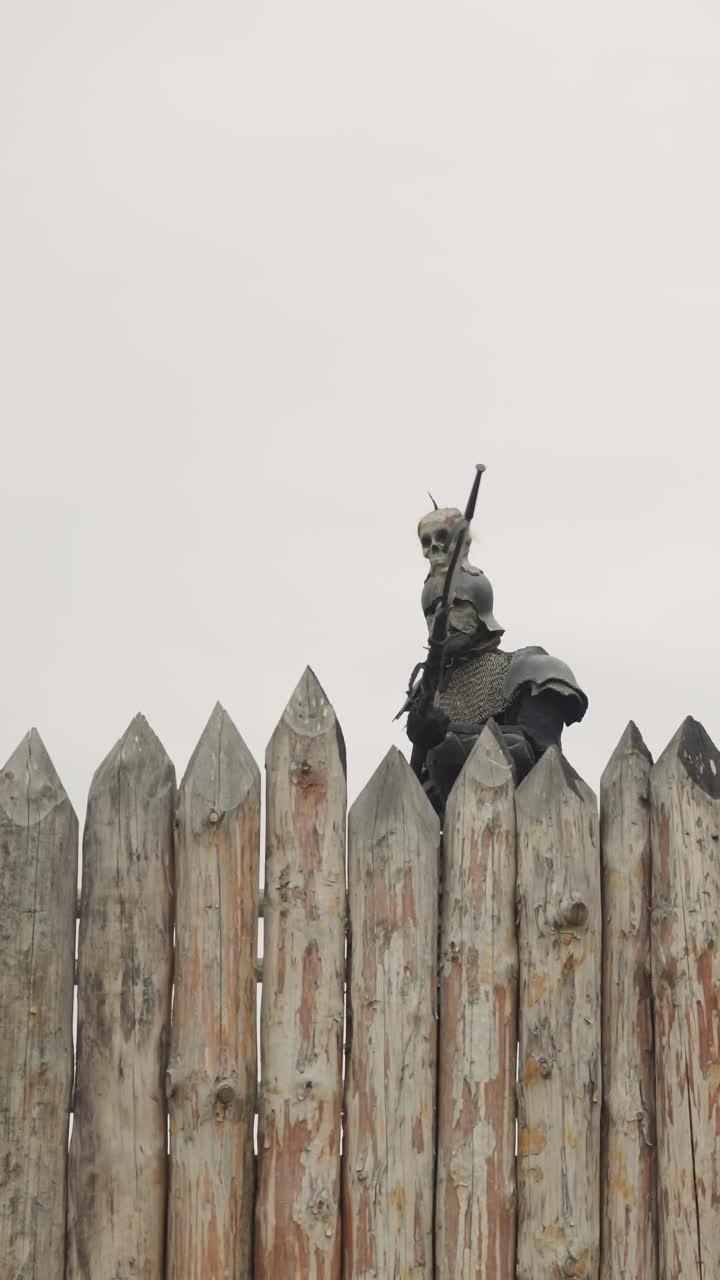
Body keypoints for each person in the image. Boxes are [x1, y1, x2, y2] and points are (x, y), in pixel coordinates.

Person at [404, 502, 587, 811]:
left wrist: (446, 736)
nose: (441, 619)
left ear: (480, 609)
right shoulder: (429, 694)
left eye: (455, 607)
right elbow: (424, 796)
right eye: (432, 612)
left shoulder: (529, 669)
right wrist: (422, 740)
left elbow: (537, 753)